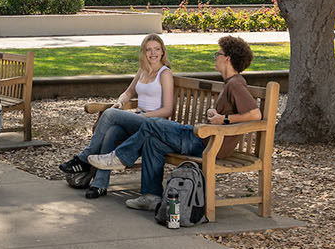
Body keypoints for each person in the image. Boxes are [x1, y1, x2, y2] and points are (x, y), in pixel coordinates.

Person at [88, 35, 261, 213]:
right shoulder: (230, 83)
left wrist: (222, 120)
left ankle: (121, 157)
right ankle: (151, 196)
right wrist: (216, 114)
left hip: (206, 143)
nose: (215, 56)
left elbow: (255, 114)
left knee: (152, 124)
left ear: (227, 59)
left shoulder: (236, 84)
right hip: (203, 138)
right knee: (152, 141)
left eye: (218, 53)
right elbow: (235, 112)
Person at [58, 35, 175, 198]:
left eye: (156, 49)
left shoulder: (165, 73)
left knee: (110, 114)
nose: (153, 53)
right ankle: (100, 184)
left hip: (153, 124)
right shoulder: (143, 70)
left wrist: (142, 115)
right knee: (112, 131)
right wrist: (120, 102)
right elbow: (128, 92)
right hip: (138, 120)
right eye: (149, 49)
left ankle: (84, 158)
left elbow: (167, 110)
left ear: (162, 51)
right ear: (143, 52)